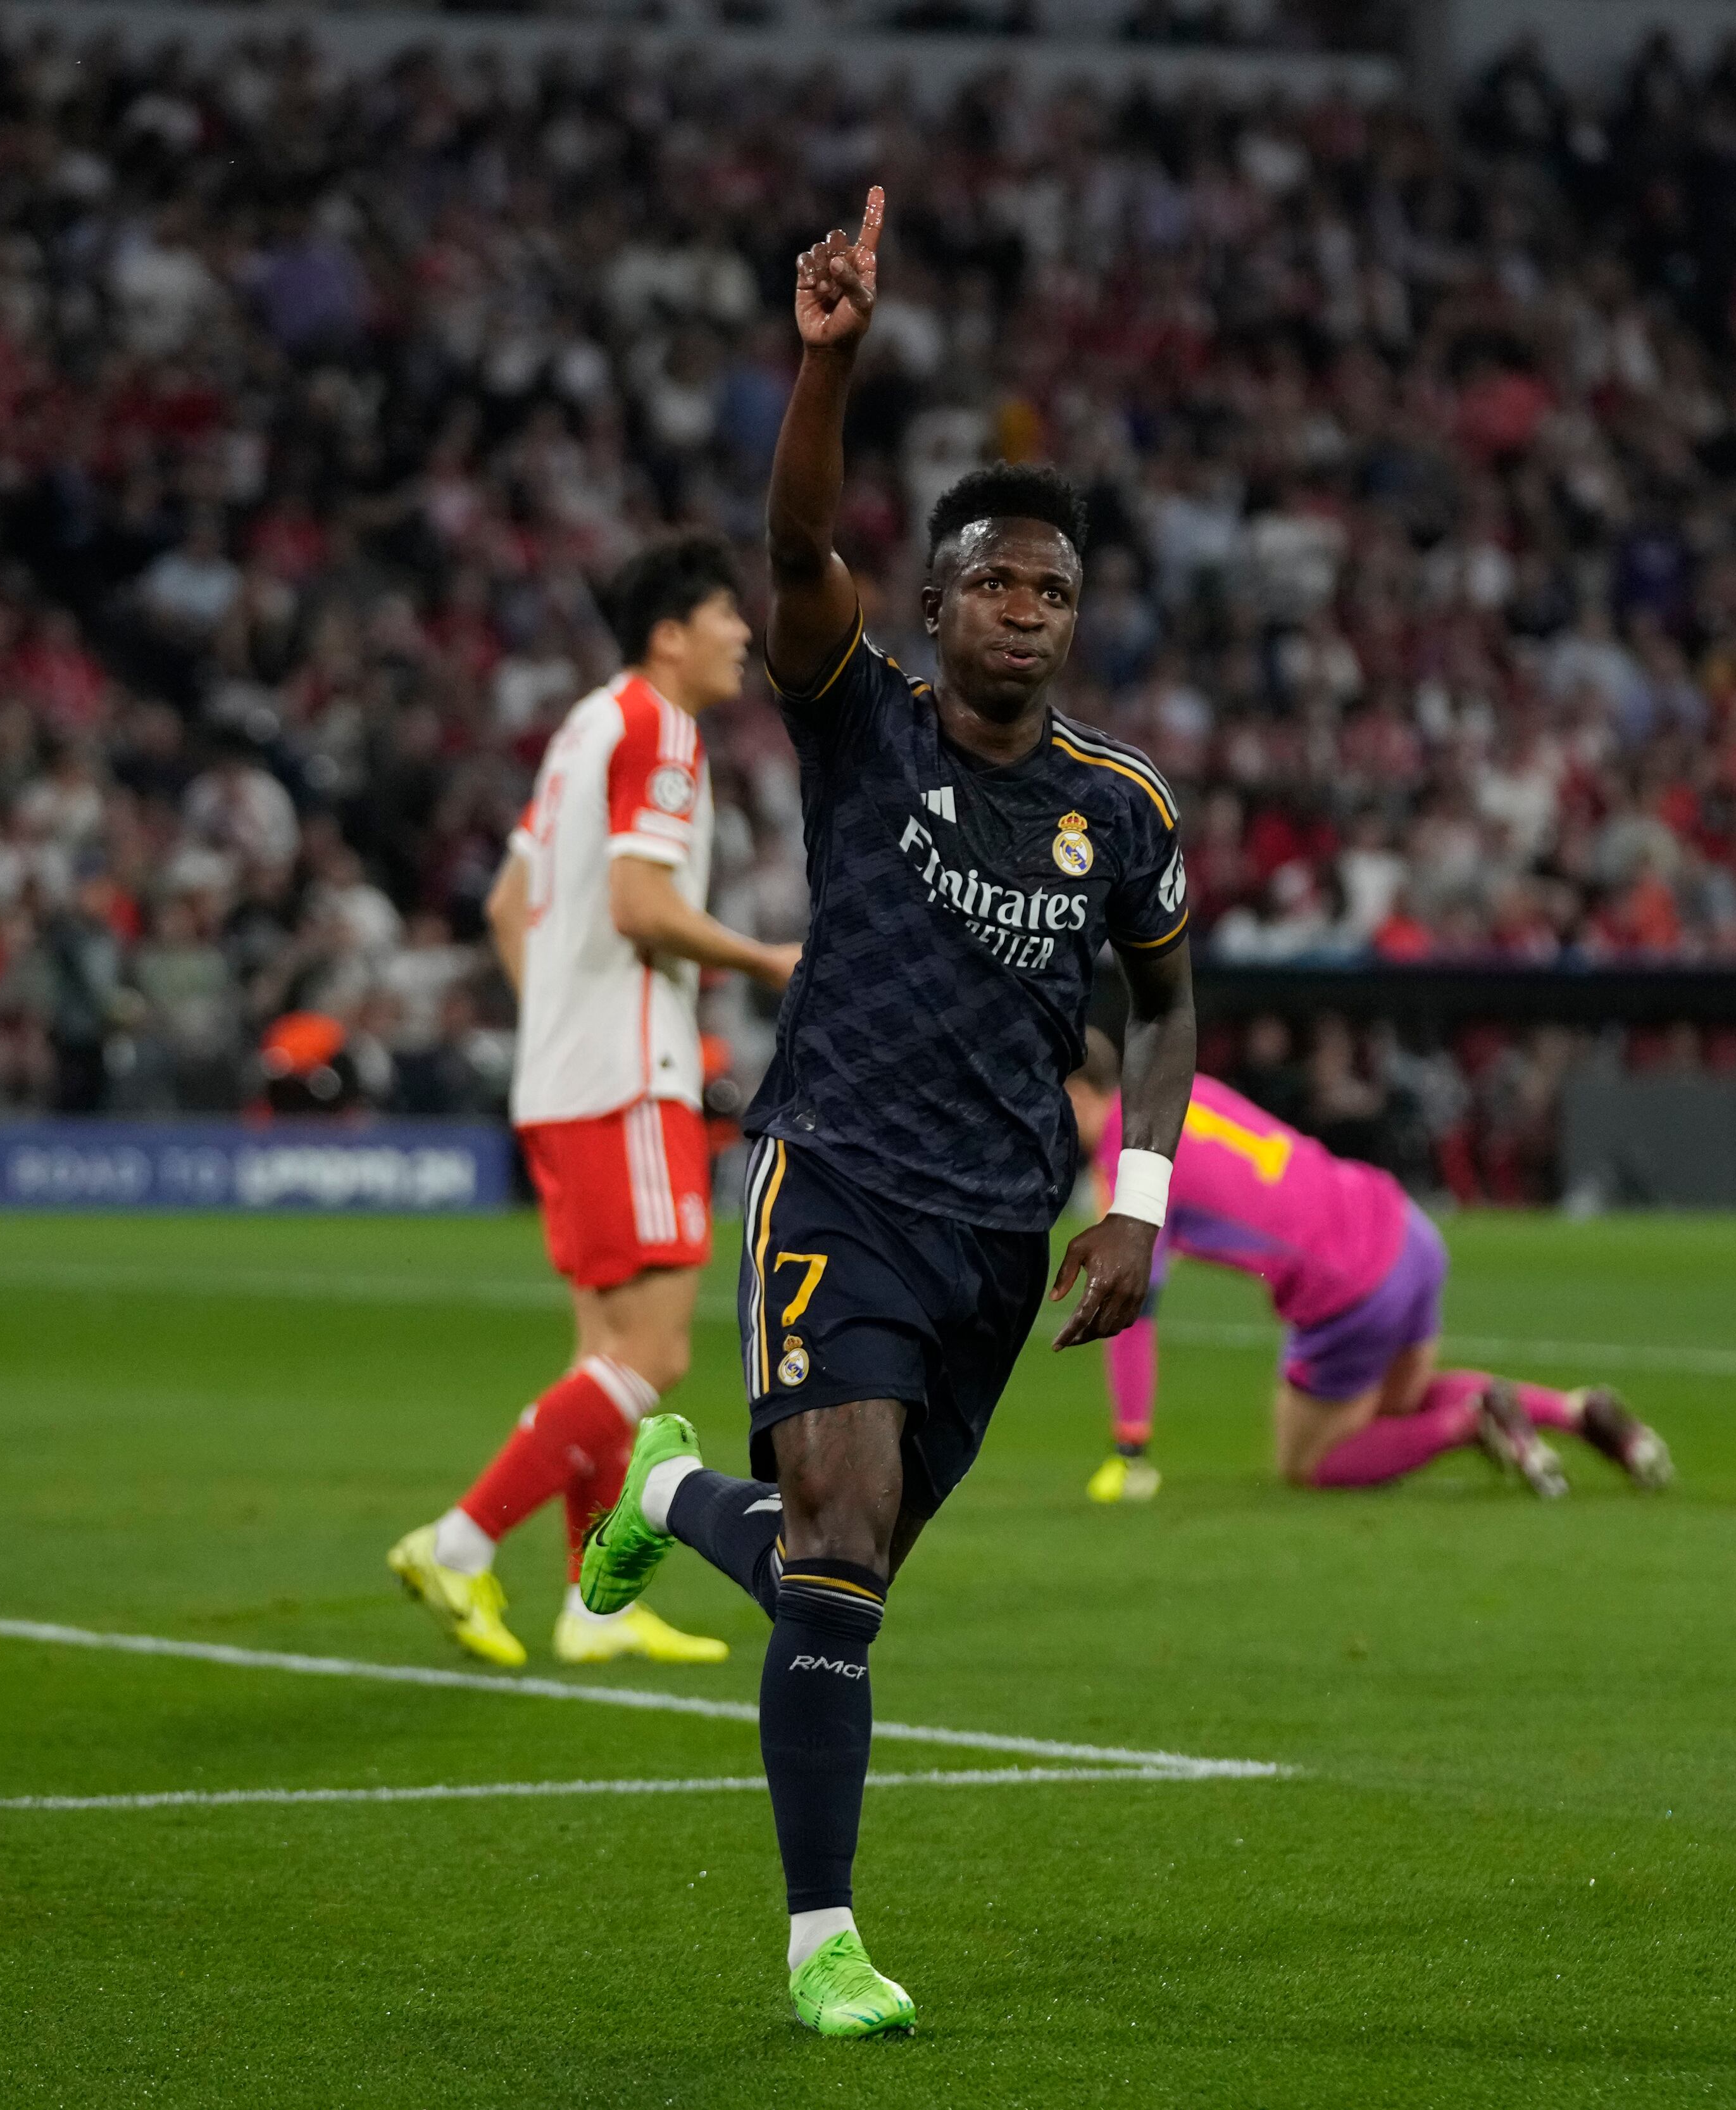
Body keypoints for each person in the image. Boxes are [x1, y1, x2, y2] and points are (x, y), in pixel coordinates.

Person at [575, 187, 1197, 2038]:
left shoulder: (1125, 807)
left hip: (1002, 1236)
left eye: (1053, 589)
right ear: (932, 602)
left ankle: (667, 1485)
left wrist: (1138, 1199)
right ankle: (819, 1938)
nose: (1025, 607)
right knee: (837, 1537)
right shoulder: (863, 719)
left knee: (829, 1574)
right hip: (837, 1170)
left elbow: (1162, 1010)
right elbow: (787, 535)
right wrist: (825, 361)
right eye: (995, 581)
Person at [386, 532, 797, 1668]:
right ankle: (462, 1543)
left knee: (604, 1357)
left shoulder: (582, 727)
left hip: (563, 1078)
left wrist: (560, 1026)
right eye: (726, 615)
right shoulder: (661, 725)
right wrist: (770, 960)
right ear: (671, 633)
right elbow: (636, 903)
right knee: (654, 1356)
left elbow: (510, 909)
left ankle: (591, 1605)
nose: (743, 636)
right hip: (628, 1077)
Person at [1067, 1029, 1673, 1502]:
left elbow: (1133, 1311)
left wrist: (1132, 1447)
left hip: (1348, 1284)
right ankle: (1572, 1409)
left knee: (1306, 1462)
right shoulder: (1179, 1084)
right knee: (1393, 1409)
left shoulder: (1131, 1160)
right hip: (1404, 1229)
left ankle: (1468, 1422)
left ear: (1077, 1093)